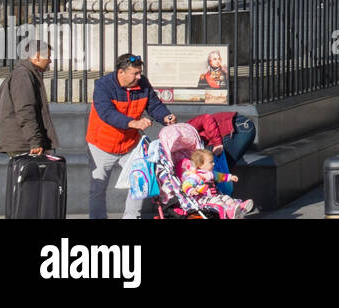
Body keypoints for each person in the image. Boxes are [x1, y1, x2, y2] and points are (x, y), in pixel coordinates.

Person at [87, 53, 175, 219]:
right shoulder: (103, 86)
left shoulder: (143, 84)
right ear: (121, 73)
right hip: (101, 145)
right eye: (135, 73)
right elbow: (107, 113)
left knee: (139, 183)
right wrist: (133, 123)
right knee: (98, 188)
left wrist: (165, 116)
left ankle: (132, 217)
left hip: (129, 145)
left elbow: (154, 105)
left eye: (139, 72)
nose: (139, 76)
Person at [0, 41, 58, 158]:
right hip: (24, 144)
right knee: (28, 176)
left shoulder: (26, 74)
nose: (50, 61)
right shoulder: (23, 75)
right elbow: (25, 110)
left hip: (24, 143)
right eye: (48, 57)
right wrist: (35, 142)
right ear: (38, 56)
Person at [181, 148, 254, 218]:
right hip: (203, 199)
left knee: (226, 198)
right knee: (219, 203)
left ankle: (238, 208)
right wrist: (191, 190)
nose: (213, 164)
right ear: (200, 165)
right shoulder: (195, 176)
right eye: (211, 162)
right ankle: (229, 212)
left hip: (214, 196)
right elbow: (186, 184)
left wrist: (229, 177)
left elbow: (220, 176)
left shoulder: (211, 173)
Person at [187, 111, 255, 168]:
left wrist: (217, 143)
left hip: (238, 126)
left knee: (220, 167)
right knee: (219, 168)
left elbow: (206, 118)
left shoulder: (183, 129)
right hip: (237, 129)